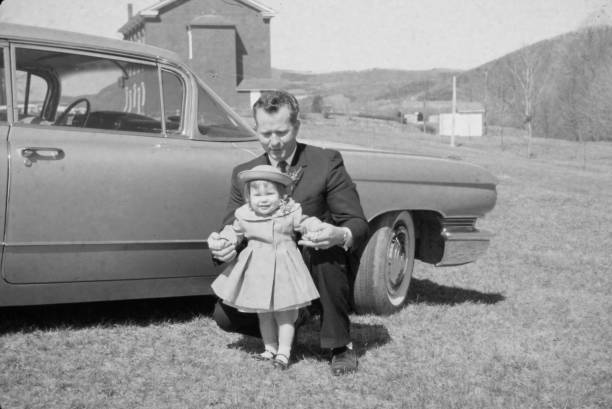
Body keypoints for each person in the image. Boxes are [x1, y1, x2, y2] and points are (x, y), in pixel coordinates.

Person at [208, 90, 369, 375]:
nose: (274, 142)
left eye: (282, 132)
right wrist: (223, 245)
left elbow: (356, 222)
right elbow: (230, 225)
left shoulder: (326, 162)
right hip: (267, 268)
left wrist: (337, 234)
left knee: (325, 251)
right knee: (225, 317)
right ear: (256, 129)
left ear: (296, 126)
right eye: (265, 133)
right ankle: (295, 317)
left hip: (313, 267)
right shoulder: (244, 173)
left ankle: (339, 345)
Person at [209, 165, 321, 369]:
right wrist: (223, 239)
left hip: (284, 268)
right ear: (248, 196)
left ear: (282, 195)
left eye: (270, 193)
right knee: (264, 313)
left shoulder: (290, 212)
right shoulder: (244, 215)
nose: (263, 199)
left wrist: (314, 227)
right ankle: (269, 348)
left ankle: (284, 352)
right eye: (256, 194)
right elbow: (233, 231)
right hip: (257, 270)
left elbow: (304, 222)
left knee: (284, 314)